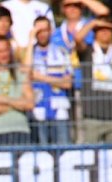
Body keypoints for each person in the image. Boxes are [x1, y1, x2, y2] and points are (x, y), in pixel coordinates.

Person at [75, 18, 112, 143]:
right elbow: (78, 39)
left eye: (108, 30)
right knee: (90, 158)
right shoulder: (88, 52)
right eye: (101, 30)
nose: (105, 32)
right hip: (92, 116)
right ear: (95, 33)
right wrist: (93, 23)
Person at [0, 36, 34, 145]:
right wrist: (17, 104)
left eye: (6, 50)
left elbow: (30, 104)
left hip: (20, 131)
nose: (4, 54)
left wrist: (2, 99)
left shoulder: (21, 75)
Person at [29, 16, 74, 144]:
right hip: (38, 110)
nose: (42, 34)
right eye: (38, 30)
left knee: (64, 151)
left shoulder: (62, 52)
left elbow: (67, 83)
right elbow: (26, 75)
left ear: (51, 31)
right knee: (42, 155)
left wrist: (40, 77)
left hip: (59, 108)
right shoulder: (30, 53)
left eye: (45, 30)